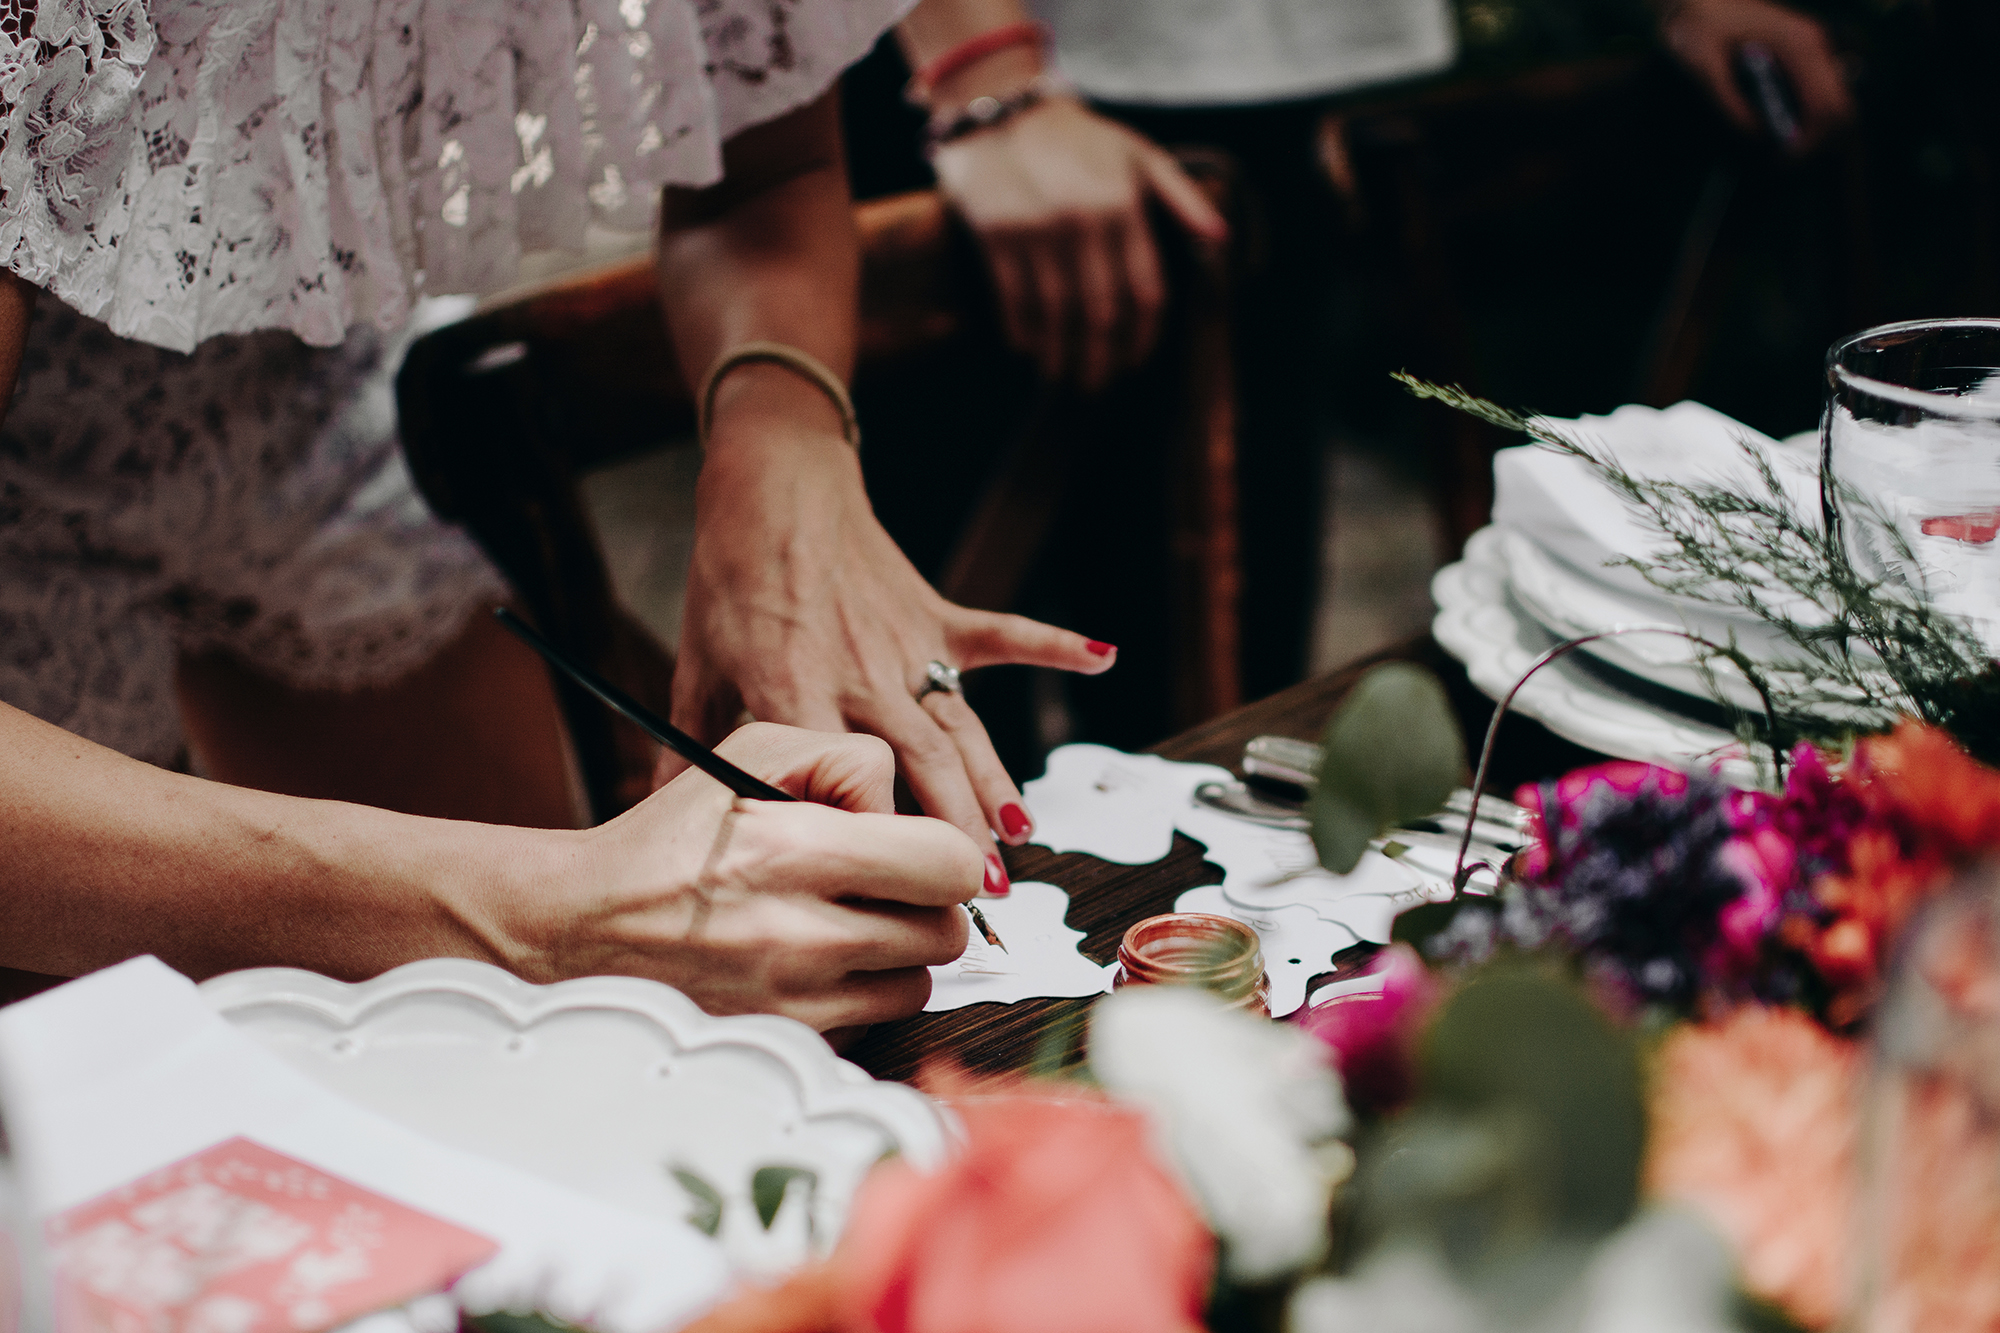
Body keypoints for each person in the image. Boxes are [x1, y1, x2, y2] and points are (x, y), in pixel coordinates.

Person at [0, 0, 1106, 1026]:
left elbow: (762, 172)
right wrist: (541, 912)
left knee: (504, 1070)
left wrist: (783, 445)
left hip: (312, 409)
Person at [879, 0, 1852, 704]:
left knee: (1214, 690)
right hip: (970, 93)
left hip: (1263, 80)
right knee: (939, 697)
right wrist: (978, 67)